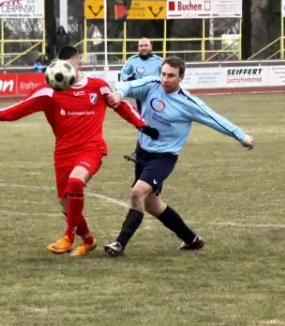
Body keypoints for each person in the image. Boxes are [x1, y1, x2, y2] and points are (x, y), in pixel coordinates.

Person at [0, 46, 160, 257]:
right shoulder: (49, 90)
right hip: (63, 152)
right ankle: (88, 240)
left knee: (75, 182)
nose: (64, 71)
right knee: (66, 202)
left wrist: (143, 126)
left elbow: (123, 107)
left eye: (69, 67)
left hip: (91, 148)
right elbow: (21, 108)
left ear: (79, 65)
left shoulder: (98, 87)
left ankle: (68, 237)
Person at [103, 56, 254, 257]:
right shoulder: (152, 85)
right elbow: (129, 85)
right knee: (152, 205)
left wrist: (241, 136)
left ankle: (119, 244)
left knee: (137, 193)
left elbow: (214, 118)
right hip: (142, 152)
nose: (165, 79)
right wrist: (118, 93)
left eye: (171, 76)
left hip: (164, 158)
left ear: (181, 78)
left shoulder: (188, 103)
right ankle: (191, 239)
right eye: (163, 74)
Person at [119, 38, 163, 163]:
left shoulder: (159, 61)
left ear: (151, 46)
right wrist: (129, 78)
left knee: (156, 122)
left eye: (146, 45)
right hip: (141, 98)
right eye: (141, 46)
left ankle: (149, 151)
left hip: (156, 98)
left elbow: (166, 75)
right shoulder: (133, 61)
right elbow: (123, 74)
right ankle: (140, 152)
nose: (143, 48)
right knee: (142, 123)